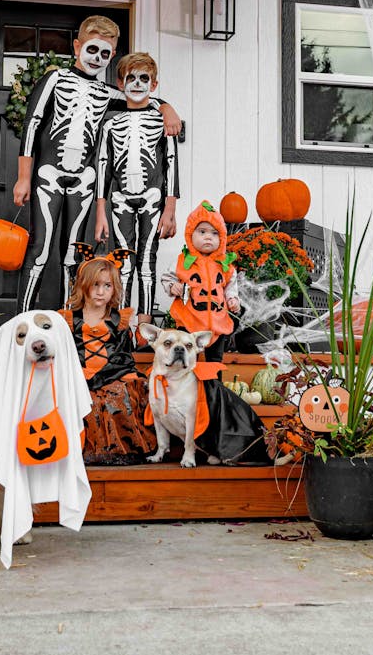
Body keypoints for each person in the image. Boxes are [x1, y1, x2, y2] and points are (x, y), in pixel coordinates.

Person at [14, 16, 180, 311]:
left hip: (84, 181)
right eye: (92, 49)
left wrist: (168, 108)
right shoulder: (55, 79)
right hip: (48, 174)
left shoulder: (109, 93)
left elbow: (143, 99)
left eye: (105, 53)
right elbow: (33, 123)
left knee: (73, 254)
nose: (98, 58)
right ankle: (22, 323)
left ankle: (67, 322)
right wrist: (24, 177)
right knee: (39, 248)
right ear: (77, 46)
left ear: (112, 55)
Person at [94, 51, 179, 324]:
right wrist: (100, 212)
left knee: (146, 259)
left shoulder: (163, 122)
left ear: (154, 86)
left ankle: (144, 323)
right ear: (121, 84)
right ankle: (121, 321)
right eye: (131, 78)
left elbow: (172, 165)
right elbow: (103, 168)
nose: (138, 83)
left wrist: (170, 208)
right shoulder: (111, 123)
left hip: (153, 196)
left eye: (145, 78)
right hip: (119, 199)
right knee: (123, 260)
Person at [63, 256, 155, 465]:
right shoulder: (69, 321)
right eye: (95, 285)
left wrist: (107, 376)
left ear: (115, 290)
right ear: (82, 285)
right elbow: (66, 354)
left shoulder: (118, 321)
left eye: (107, 286)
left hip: (113, 373)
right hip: (81, 374)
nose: (100, 291)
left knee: (118, 394)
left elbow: (123, 356)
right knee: (89, 401)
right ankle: (88, 451)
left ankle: (122, 450)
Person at [163, 200, 241, 370]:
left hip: (217, 322)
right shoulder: (183, 262)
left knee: (215, 362)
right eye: (202, 232)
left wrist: (232, 299)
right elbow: (166, 277)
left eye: (214, 233)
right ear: (190, 235)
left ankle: (213, 390)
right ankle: (190, 389)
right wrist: (172, 286)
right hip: (190, 320)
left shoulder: (224, 265)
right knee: (189, 361)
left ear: (222, 238)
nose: (208, 237)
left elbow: (230, 285)